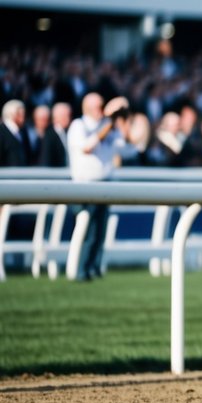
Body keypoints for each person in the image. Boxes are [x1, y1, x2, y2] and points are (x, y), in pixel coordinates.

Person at [67, 93, 127, 281]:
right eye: (98, 106)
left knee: (101, 232)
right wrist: (109, 124)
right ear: (87, 107)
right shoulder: (79, 125)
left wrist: (123, 119)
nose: (101, 110)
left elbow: (128, 146)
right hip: (86, 185)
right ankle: (80, 270)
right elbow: (88, 147)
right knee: (88, 231)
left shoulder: (109, 127)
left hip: (105, 184)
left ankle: (93, 267)